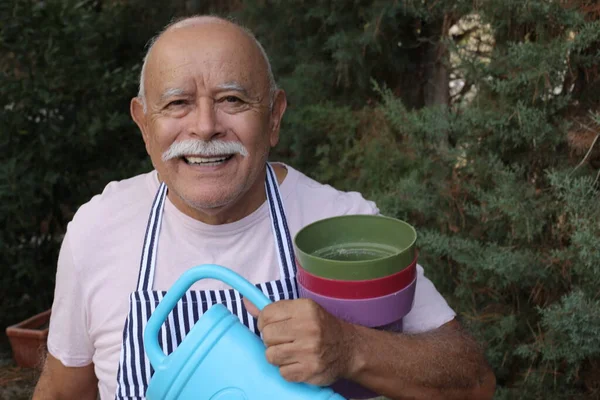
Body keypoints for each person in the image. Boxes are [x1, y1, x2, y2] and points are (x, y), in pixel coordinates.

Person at [32, 15, 495, 400]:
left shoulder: (342, 229)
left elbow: (473, 383)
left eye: (232, 99)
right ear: (143, 125)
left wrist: (352, 348)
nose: (206, 126)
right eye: (177, 103)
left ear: (273, 116)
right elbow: (61, 393)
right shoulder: (98, 229)